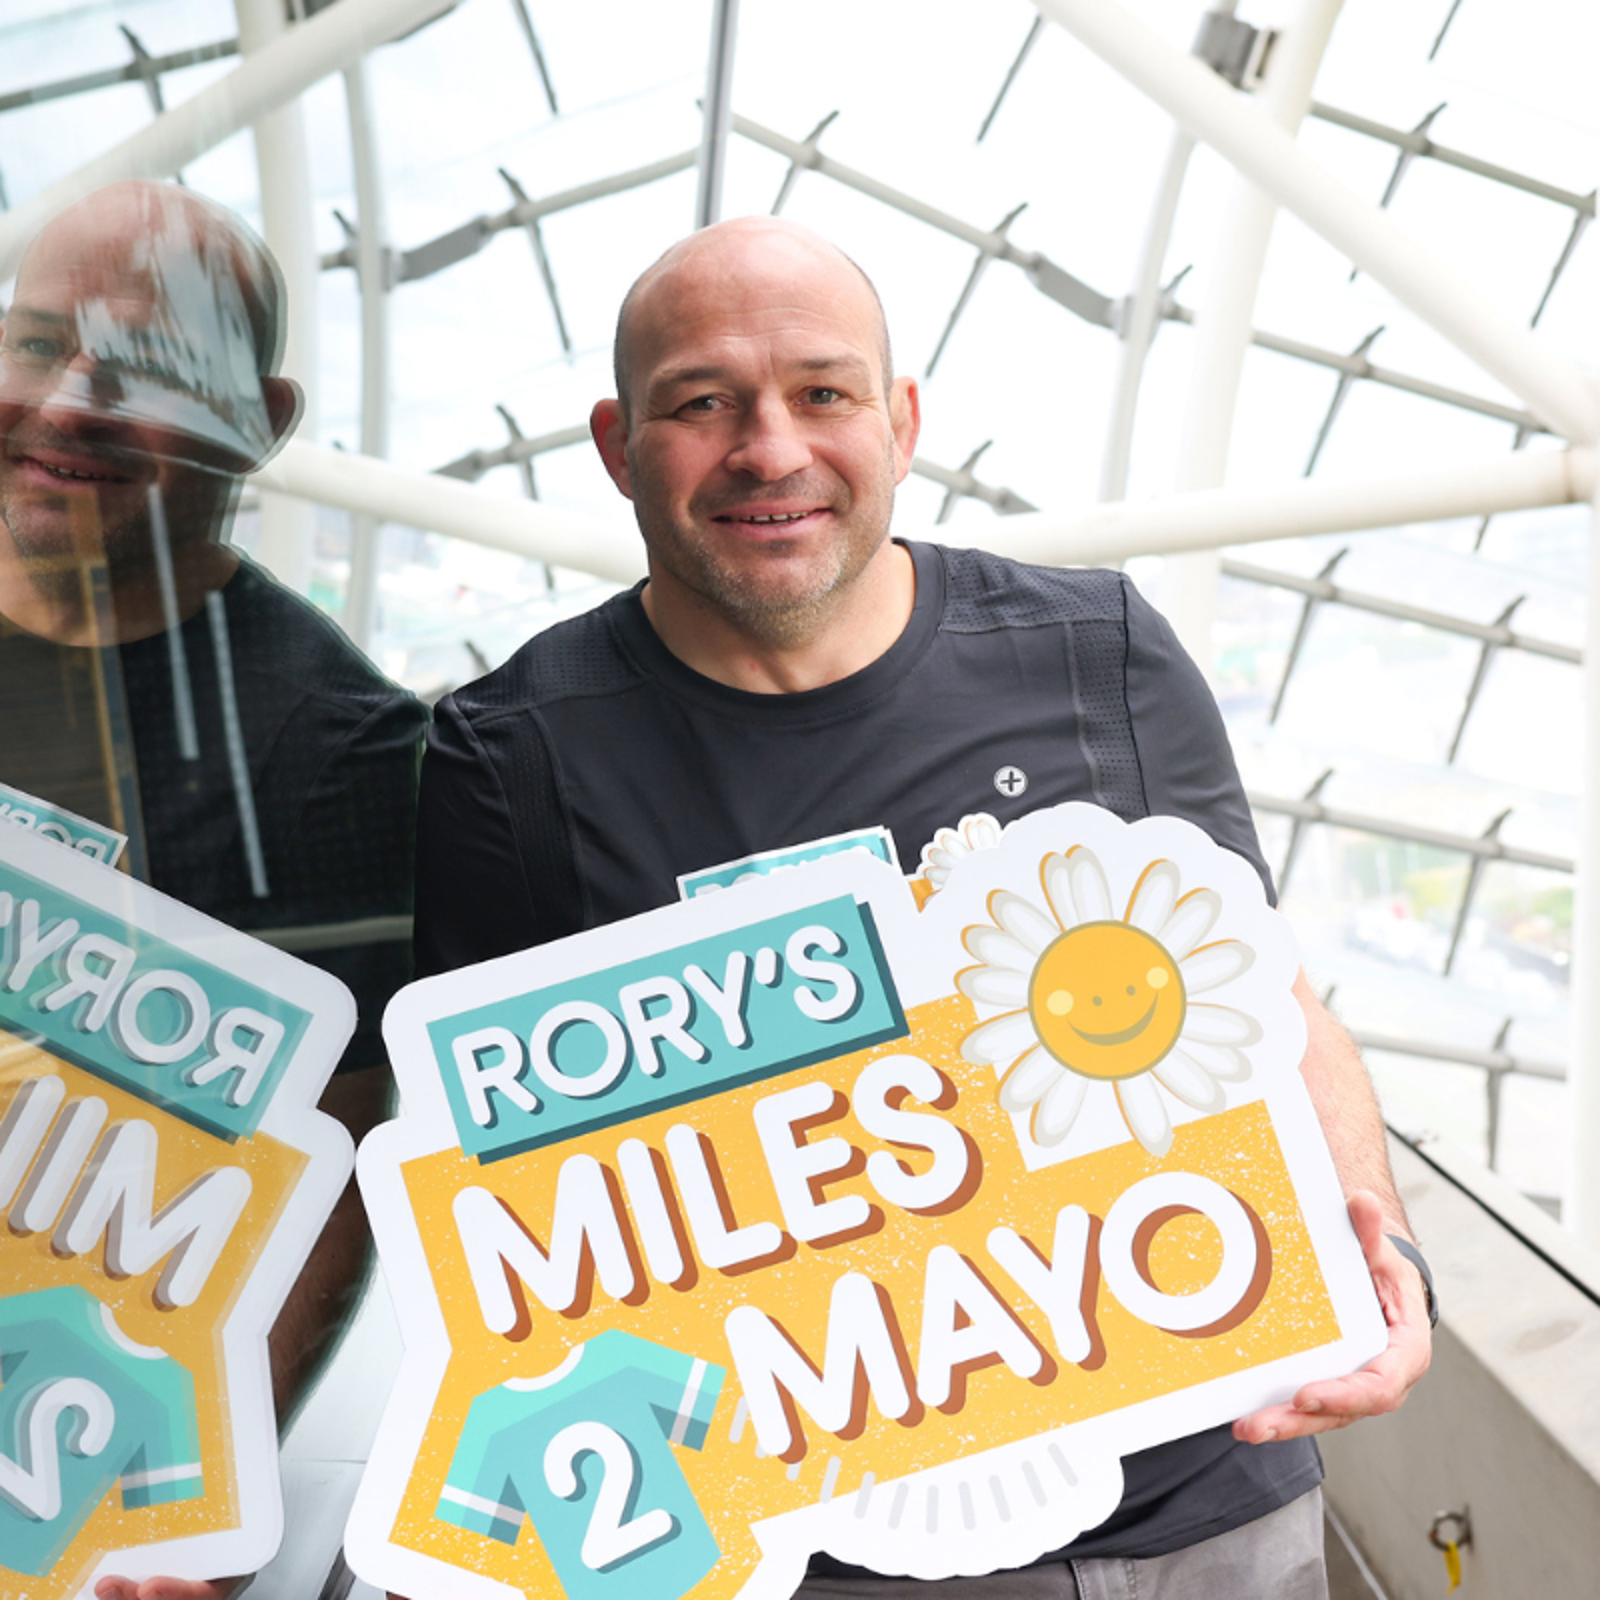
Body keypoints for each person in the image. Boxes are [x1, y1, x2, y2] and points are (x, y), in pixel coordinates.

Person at [412, 217, 1432, 1598]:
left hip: (1201, 1498)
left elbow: (1267, 1000)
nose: (770, 449)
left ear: (899, 423)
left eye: (821, 393)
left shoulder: (1099, 654)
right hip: (819, 1550)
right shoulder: (513, 752)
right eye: (702, 403)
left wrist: (1380, 1238)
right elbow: (503, 1198)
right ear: (616, 446)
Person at [0, 181, 427, 1600]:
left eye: (155, 370)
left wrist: (185, 1520)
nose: (68, 405)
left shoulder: (338, 756)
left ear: (263, 419)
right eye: (38, 343)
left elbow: (327, 1172)